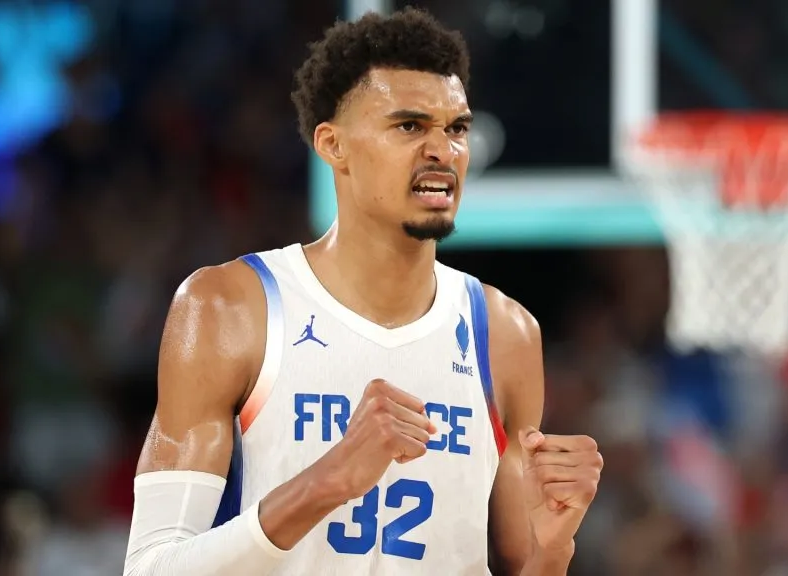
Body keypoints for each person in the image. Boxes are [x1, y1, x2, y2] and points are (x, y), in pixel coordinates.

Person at [123, 8, 603, 575]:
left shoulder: (504, 333)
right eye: (409, 126)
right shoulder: (233, 308)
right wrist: (324, 483)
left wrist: (552, 552)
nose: (442, 151)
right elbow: (151, 568)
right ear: (333, 144)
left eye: (456, 129)